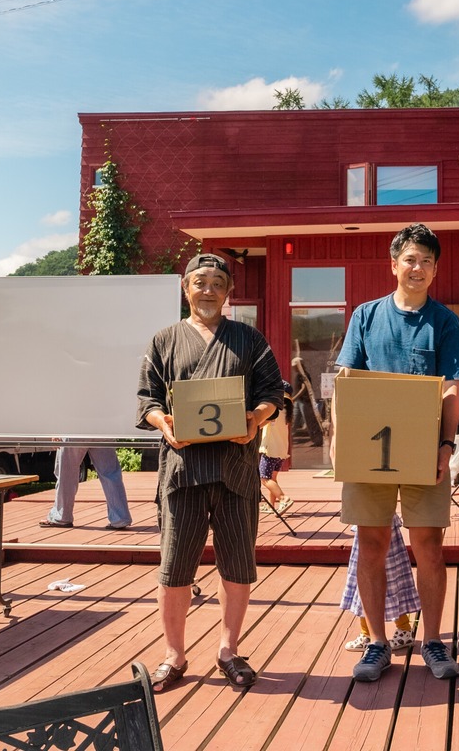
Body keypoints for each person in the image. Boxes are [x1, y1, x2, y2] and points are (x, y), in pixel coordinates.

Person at [136, 253, 284, 693]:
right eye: (200, 282)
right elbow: (146, 400)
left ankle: (228, 649)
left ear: (228, 292)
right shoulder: (164, 340)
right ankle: (174, 654)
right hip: (182, 471)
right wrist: (164, 424)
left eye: (218, 283)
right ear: (186, 289)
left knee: (237, 563)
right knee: (175, 565)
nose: (209, 290)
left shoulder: (248, 339)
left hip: (236, 469)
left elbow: (272, 392)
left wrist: (255, 419)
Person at [331, 223, 459, 682]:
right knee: (371, 543)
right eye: (410, 259)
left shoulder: (447, 322)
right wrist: (337, 438)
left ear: (435, 270)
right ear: (394, 265)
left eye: (427, 261)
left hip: (424, 450)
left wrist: (446, 446)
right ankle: (376, 642)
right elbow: (346, 381)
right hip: (368, 451)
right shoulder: (366, 316)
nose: (418, 268)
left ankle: (432, 640)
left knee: (428, 545)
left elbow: (450, 389)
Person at [340, 514, 419, 653]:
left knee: (367, 586)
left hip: (372, 527)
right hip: (380, 527)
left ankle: (367, 634)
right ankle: (403, 629)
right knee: (392, 583)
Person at [39, 446, 132, 530]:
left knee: (66, 472)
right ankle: (120, 518)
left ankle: (62, 516)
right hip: (103, 431)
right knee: (110, 473)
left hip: (74, 430)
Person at [259, 381, 294, 516]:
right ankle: (272, 505)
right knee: (272, 478)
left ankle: (283, 499)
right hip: (281, 451)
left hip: (270, 449)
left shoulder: (274, 409)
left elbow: (261, 424)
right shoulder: (287, 411)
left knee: (264, 478)